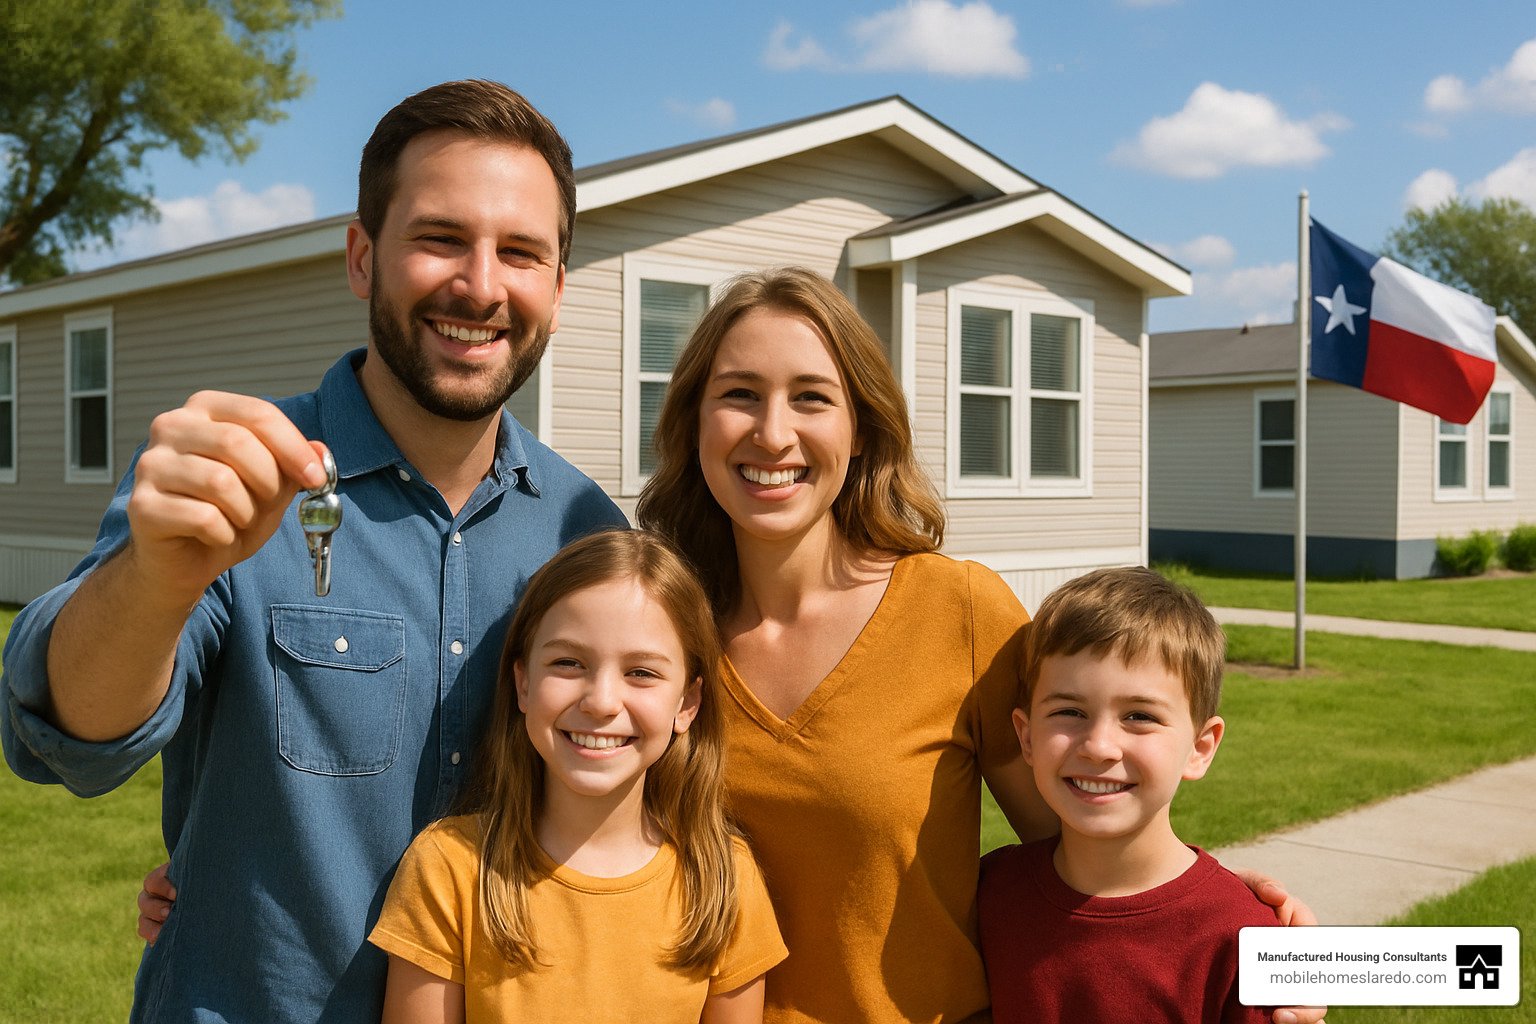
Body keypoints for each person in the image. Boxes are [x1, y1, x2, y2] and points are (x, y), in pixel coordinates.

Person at [0, 80, 626, 1023]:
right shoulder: (235, 477)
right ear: (362, 256)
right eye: (440, 238)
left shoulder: (593, 536)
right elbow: (66, 741)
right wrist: (158, 579)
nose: (482, 284)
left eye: (522, 254)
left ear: (558, 289)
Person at [636, 266, 1325, 1024]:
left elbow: (1087, 837)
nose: (772, 432)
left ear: (861, 428)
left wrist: (1246, 932)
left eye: (811, 397)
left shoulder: (957, 611)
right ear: (693, 420)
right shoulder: (657, 631)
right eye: (738, 394)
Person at [368, 529, 786, 1023]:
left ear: (687, 703)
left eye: (642, 673)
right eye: (568, 663)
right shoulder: (449, 870)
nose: (602, 702)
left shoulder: (723, 881)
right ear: (522, 683)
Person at [978, 567, 1280, 1024]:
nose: (1098, 746)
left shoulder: (1246, 935)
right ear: (1026, 737)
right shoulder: (988, 894)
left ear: (1200, 749)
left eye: (1139, 716)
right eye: (1069, 711)